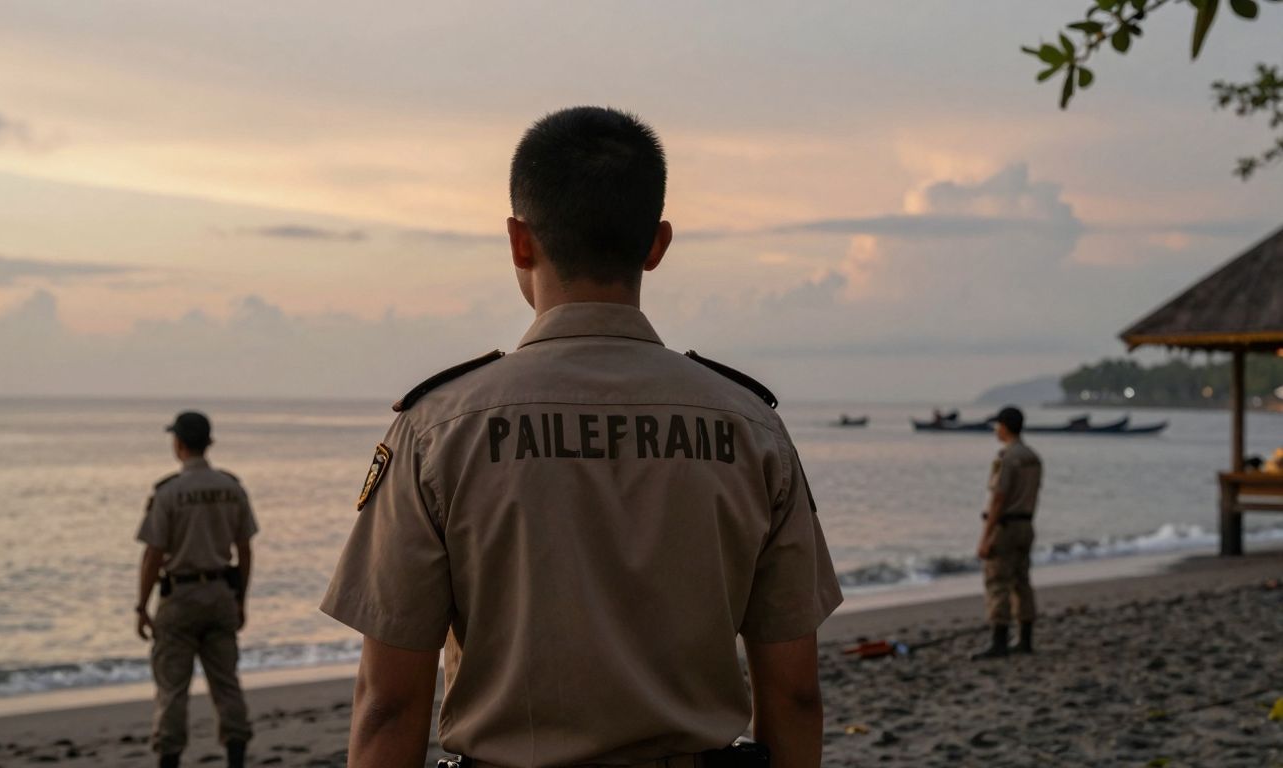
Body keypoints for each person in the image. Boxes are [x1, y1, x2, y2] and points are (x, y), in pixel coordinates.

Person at [321, 106, 842, 768]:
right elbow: (795, 695)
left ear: (519, 240)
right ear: (656, 244)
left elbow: (390, 705)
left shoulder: (438, 429)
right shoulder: (751, 427)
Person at [135, 411, 258, 768]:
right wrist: (240, 599)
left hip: (180, 597)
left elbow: (153, 554)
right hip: (221, 592)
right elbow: (245, 549)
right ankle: (236, 757)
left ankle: (169, 758)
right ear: (209, 443)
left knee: (173, 690)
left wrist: (141, 606)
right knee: (226, 684)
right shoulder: (231, 487)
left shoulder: (169, 492)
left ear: (179, 444)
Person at [972, 405, 1043, 660]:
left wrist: (985, 537)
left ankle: (999, 641)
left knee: (997, 581)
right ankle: (1025, 638)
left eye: (997, 425)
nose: (995, 430)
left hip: (1006, 525)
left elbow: (999, 499)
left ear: (1005, 426)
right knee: (1022, 581)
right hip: (1027, 524)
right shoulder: (1033, 457)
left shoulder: (1007, 457)